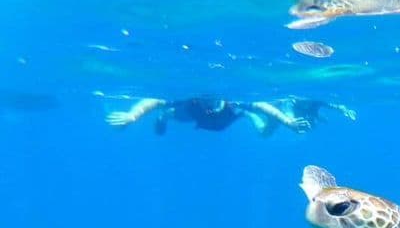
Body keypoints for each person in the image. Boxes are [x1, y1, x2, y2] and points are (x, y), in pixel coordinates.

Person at [105, 95, 352, 135]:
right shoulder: (193, 104)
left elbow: (263, 105)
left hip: (231, 118)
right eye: (206, 100)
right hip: (195, 119)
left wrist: (287, 121)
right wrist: (133, 115)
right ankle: (164, 119)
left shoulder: (234, 103)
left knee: (261, 128)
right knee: (171, 113)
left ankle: (249, 118)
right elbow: (155, 100)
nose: (210, 104)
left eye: (213, 101)